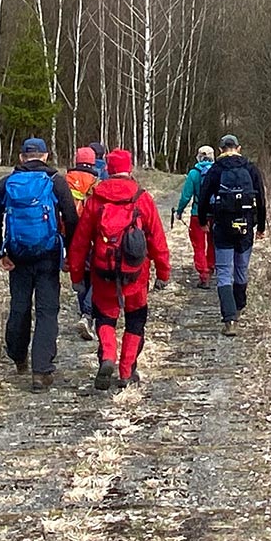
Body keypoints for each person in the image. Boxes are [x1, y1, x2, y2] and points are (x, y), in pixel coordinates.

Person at [67, 148, 172, 390]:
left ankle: (108, 358)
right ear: (130, 168)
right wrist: (163, 273)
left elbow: (81, 241)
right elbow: (157, 239)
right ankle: (126, 372)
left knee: (105, 317)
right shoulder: (141, 198)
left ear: (108, 169)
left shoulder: (96, 199)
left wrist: (76, 275)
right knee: (136, 320)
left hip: (103, 271)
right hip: (136, 274)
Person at [0, 138, 79, 392]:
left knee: (20, 306)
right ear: (46, 156)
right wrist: (71, 254)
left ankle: (18, 357)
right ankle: (41, 371)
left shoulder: (7, 183)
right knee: (47, 311)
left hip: (17, 254)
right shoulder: (55, 181)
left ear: (21, 157)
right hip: (48, 254)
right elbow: (71, 219)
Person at [196, 134, 266, 337]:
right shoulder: (251, 169)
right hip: (246, 227)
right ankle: (239, 307)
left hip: (223, 227)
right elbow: (260, 199)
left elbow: (203, 197)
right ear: (239, 148)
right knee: (241, 269)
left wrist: (203, 222)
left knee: (224, 272)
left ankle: (229, 320)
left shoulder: (216, 169)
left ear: (220, 150)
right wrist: (260, 226)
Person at [63, 146, 102, 341]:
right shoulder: (97, 181)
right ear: (93, 161)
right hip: (92, 235)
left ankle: (83, 314)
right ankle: (87, 315)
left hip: (69, 234)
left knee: (79, 274)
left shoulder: (64, 180)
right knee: (95, 275)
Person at [172, 146, 217, 288]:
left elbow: (186, 196)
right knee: (213, 244)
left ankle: (203, 276)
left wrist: (179, 211)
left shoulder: (193, 173)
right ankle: (210, 269)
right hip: (215, 214)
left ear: (198, 156)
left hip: (197, 214)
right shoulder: (218, 171)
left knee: (198, 246)